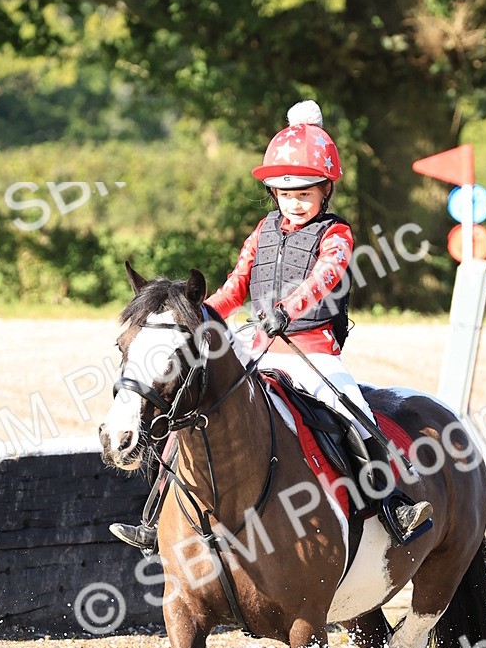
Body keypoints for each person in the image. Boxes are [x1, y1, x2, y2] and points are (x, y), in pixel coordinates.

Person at [110, 100, 432, 552]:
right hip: (257, 347)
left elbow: (325, 278)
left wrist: (285, 309)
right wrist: (195, 314)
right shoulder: (262, 231)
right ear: (273, 194)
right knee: (189, 413)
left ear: (326, 191)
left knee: (354, 417)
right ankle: (153, 518)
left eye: (305, 194)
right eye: (284, 194)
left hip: (314, 351)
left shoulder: (336, 234)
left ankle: (393, 504)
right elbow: (235, 285)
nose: (294, 203)